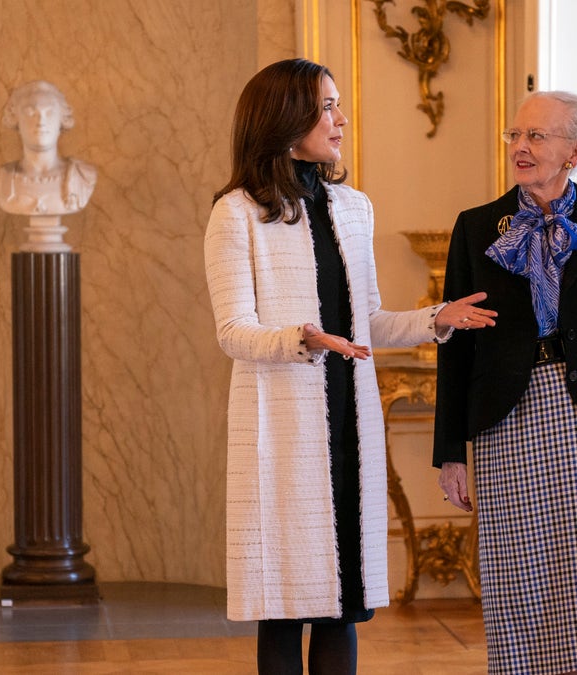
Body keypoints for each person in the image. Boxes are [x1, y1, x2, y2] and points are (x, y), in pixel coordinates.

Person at [203, 58, 495, 675]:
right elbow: (233, 333)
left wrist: (438, 317)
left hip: (350, 427)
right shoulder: (236, 213)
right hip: (281, 431)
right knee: (284, 604)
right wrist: (303, 339)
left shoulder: (353, 207)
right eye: (326, 106)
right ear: (285, 120)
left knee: (343, 602)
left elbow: (369, 324)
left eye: (337, 104)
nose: (340, 118)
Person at [434, 90, 577, 675]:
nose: (520, 147)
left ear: (575, 151)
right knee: (521, 572)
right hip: (507, 417)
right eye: (516, 135)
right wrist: (449, 453)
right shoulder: (474, 229)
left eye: (536, 137)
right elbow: (456, 350)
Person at [0, 80, 96, 216]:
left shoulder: (82, 176)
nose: (40, 121)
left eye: (49, 113)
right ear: (16, 119)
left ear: (61, 120)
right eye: (30, 112)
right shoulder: (1, 178)